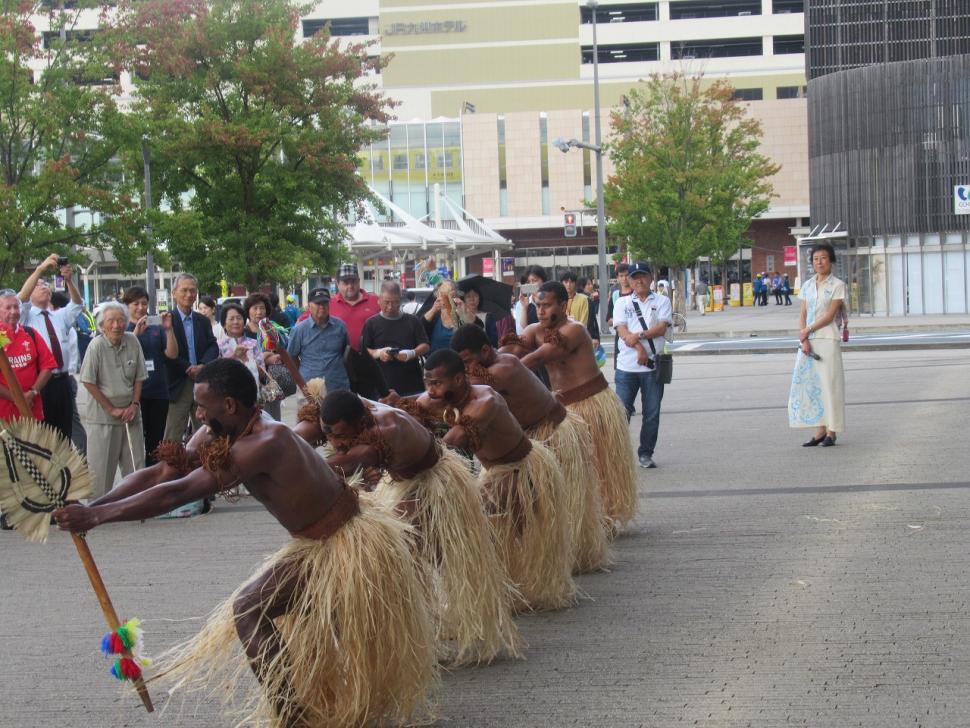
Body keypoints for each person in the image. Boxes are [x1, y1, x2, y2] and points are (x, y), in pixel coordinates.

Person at [54, 358, 436, 728]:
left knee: (250, 609)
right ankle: (318, 705)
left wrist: (98, 519)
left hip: (340, 542)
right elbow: (165, 472)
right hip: (315, 544)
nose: (198, 416)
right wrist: (93, 507)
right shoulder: (224, 430)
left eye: (203, 407)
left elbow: (182, 491)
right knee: (309, 618)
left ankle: (294, 718)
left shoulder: (266, 441)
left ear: (230, 405)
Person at [300, 388, 521, 666]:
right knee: (426, 554)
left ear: (361, 422)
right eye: (328, 434)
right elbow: (323, 427)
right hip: (404, 485)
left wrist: (294, 463)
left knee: (404, 555)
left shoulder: (386, 431)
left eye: (341, 436)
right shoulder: (358, 407)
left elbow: (346, 461)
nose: (335, 442)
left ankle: (430, 630)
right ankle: (424, 629)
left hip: (433, 486)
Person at [387, 349, 576, 612]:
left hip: (521, 471)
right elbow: (410, 411)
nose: (431, 391)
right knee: (498, 532)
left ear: (458, 380)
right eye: (427, 383)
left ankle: (501, 590)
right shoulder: (436, 396)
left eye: (437, 383)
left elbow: (451, 443)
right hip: (493, 473)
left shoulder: (485, 400)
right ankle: (504, 588)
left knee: (487, 527)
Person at [451, 324, 609, 573]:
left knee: (551, 508)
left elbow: (459, 386)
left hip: (552, 436)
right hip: (526, 444)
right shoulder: (495, 359)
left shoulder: (505, 368)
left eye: (467, 362)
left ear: (484, 351)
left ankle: (564, 559)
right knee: (521, 508)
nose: (466, 369)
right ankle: (525, 566)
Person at [506, 281, 637, 530]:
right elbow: (510, 350)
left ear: (563, 305)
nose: (541, 311)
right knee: (573, 468)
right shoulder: (534, 330)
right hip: (564, 412)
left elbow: (541, 356)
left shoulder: (573, 330)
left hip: (593, 406)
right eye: (537, 305)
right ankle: (580, 518)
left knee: (600, 464)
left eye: (546, 305)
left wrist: (507, 372)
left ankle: (604, 515)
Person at [80, 302, 148, 498]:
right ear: (102, 325)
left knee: (135, 465)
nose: (116, 325)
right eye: (111, 321)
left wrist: (134, 404)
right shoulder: (96, 346)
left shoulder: (132, 341)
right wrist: (110, 409)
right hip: (103, 417)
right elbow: (88, 381)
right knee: (101, 469)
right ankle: (98, 508)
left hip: (131, 414)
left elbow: (139, 377)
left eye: (120, 320)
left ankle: (135, 503)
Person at [17, 253, 84, 441]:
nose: (44, 287)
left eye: (46, 285)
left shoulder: (58, 316)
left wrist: (69, 281)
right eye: (39, 286)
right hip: (40, 384)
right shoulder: (25, 317)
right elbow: (20, 299)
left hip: (63, 382)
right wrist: (40, 269)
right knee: (43, 435)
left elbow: (78, 305)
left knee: (64, 435)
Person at [612, 263, 672, 470]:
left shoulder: (662, 301)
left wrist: (638, 336)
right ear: (628, 280)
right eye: (634, 277)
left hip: (653, 367)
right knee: (622, 412)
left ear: (651, 277)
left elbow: (661, 328)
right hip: (626, 367)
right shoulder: (622, 303)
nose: (639, 281)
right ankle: (617, 454)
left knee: (652, 413)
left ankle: (646, 453)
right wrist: (639, 348)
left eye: (643, 276)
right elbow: (621, 329)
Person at [789, 242, 846, 447]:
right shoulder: (807, 285)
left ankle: (832, 431)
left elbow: (830, 315)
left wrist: (807, 331)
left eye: (823, 258)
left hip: (827, 340)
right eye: (815, 259)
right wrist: (803, 338)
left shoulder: (837, 285)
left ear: (831, 260)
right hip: (808, 342)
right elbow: (803, 313)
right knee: (812, 386)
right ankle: (819, 430)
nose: (819, 262)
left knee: (830, 385)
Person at [122, 286, 178, 466]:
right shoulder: (123, 328)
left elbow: (172, 354)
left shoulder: (157, 327)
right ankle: (137, 479)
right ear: (127, 305)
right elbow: (122, 356)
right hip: (134, 395)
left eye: (144, 303)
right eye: (135, 303)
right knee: (136, 441)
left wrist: (168, 330)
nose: (140, 307)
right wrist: (135, 333)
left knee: (156, 441)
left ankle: (153, 478)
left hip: (158, 391)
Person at [164, 273, 219, 443]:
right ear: (174, 293)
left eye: (192, 291)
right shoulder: (166, 320)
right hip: (178, 383)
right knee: (172, 435)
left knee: (206, 433)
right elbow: (165, 352)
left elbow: (212, 345)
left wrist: (202, 365)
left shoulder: (202, 320)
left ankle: (206, 467)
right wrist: (188, 367)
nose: (189, 294)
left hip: (201, 381)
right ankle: (171, 468)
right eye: (184, 290)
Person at [358, 281, 430, 396]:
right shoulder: (371, 323)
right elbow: (363, 350)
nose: (390, 307)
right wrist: (378, 353)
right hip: (382, 385)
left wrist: (410, 353)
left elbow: (425, 345)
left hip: (412, 383)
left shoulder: (413, 321)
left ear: (400, 301)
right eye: (386, 302)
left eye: (395, 302)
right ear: (379, 301)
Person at [0, 288, 56, 422]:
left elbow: (48, 366)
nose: (13, 311)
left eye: (16, 307)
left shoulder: (30, 333)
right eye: (8, 308)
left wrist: (32, 392)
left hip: (32, 413)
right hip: (5, 418)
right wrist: (18, 399)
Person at [286, 287, 351, 391]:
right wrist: (302, 376)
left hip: (338, 386)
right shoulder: (299, 330)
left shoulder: (340, 326)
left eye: (325, 303)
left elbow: (346, 353)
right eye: (318, 303)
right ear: (309, 306)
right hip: (310, 390)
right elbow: (291, 357)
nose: (322, 307)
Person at [243, 293, 288, 421]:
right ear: (248, 311)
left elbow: (283, 350)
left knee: (273, 421)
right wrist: (265, 357)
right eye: (255, 308)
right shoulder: (243, 332)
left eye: (262, 308)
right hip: (251, 384)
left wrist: (276, 356)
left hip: (271, 384)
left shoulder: (272, 330)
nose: (259, 312)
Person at [330, 263, 380, 350]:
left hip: (372, 358)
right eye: (345, 282)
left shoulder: (377, 301)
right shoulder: (328, 304)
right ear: (337, 283)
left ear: (359, 281)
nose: (350, 286)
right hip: (339, 359)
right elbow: (305, 322)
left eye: (353, 281)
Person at [218, 303, 262, 382]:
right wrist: (234, 356)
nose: (236, 322)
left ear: (244, 322)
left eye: (239, 318)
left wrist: (247, 360)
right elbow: (215, 373)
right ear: (224, 324)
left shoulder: (254, 343)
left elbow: (262, 373)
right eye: (231, 319)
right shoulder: (218, 345)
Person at [422, 279, 465, 353]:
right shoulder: (433, 314)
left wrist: (464, 313)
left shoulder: (461, 310)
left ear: (456, 293)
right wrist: (433, 310)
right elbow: (420, 329)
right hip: (435, 361)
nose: (446, 294)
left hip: (458, 360)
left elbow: (475, 328)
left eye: (450, 290)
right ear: (437, 295)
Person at [606, 263, 633, 366]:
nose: (624, 278)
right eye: (621, 276)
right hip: (620, 337)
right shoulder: (615, 295)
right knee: (621, 368)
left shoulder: (637, 293)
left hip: (636, 334)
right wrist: (619, 322)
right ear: (617, 277)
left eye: (627, 275)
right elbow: (608, 319)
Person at [457, 283, 499, 347]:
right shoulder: (458, 317)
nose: (472, 299)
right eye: (468, 296)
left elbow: (494, 341)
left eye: (475, 296)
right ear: (463, 300)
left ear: (479, 298)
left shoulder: (487, 317)